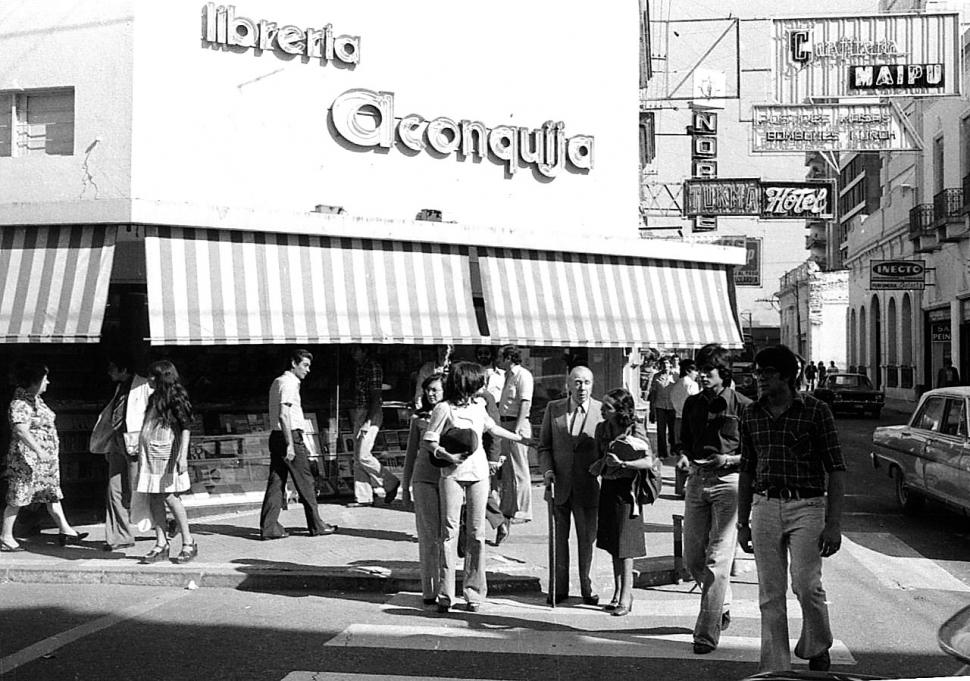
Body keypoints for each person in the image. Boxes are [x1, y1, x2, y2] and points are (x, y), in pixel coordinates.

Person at [737, 345, 846, 673]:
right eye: (757, 373)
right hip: (765, 505)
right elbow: (746, 469)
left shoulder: (815, 411)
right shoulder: (751, 414)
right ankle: (776, 667)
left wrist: (834, 524)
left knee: (806, 584)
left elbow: (836, 468)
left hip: (807, 506)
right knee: (770, 593)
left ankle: (817, 644)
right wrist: (742, 522)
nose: (760, 379)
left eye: (767, 373)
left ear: (786, 376)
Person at [422, 361, 533, 612]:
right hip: (452, 474)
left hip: (479, 473)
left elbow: (493, 428)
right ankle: (446, 594)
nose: (482, 386)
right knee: (449, 532)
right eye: (478, 382)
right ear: (466, 383)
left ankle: (474, 593)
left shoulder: (479, 406)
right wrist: (446, 456)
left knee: (476, 533)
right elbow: (430, 440)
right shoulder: (443, 408)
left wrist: (521, 439)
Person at [677, 344, 752, 655]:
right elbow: (683, 442)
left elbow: (754, 453)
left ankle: (706, 635)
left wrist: (729, 460)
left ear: (724, 372)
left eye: (708, 371)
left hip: (729, 484)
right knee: (692, 558)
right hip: (697, 480)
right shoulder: (692, 404)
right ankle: (723, 601)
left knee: (717, 560)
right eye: (700, 370)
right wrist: (684, 457)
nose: (702, 376)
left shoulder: (744, 406)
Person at [1, 363, 88, 552]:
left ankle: (65, 529)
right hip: (27, 461)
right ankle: (6, 536)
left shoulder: (35, 400)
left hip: (43, 462)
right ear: (34, 382)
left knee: (51, 493)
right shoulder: (20, 403)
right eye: (44, 379)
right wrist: (39, 450)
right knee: (19, 496)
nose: (47, 382)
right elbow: (21, 430)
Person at [538, 366, 603, 605]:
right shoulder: (553, 409)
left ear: (592, 385)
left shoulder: (602, 411)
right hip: (559, 486)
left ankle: (588, 588)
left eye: (586, 382)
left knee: (587, 540)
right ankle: (558, 588)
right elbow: (544, 447)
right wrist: (547, 471)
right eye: (577, 382)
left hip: (588, 487)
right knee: (558, 541)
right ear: (568, 384)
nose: (581, 387)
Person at [260, 350, 337, 540]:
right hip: (289, 436)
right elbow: (283, 415)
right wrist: (291, 445)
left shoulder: (278, 381)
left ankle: (269, 527)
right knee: (305, 481)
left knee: (277, 481)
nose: (308, 370)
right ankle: (316, 525)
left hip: (276, 436)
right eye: (305, 365)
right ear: (294, 363)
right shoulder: (289, 383)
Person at [590, 388, 652, 617]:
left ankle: (626, 596)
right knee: (613, 543)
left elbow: (649, 461)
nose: (602, 410)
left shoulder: (635, 428)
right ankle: (617, 593)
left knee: (626, 547)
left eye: (607, 407)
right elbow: (599, 457)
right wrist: (600, 464)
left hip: (628, 490)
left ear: (620, 410)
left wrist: (624, 464)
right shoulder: (602, 429)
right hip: (608, 487)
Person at [135, 360, 198, 564]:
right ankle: (161, 542)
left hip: (167, 454)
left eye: (153, 375)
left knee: (170, 496)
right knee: (154, 496)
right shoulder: (154, 398)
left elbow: (186, 426)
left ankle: (188, 541)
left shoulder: (175, 397)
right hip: (151, 455)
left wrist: (182, 455)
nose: (149, 379)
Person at [89, 353, 152, 551]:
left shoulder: (145, 386)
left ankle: (165, 520)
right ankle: (120, 536)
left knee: (138, 489)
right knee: (114, 489)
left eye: (112, 368)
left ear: (123, 370)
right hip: (118, 441)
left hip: (135, 444)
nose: (109, 372)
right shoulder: (120, 388)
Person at [402, 372, 446, 604]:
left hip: (448, 478)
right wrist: (405, 487)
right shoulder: (418, 418)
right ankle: (430, 589)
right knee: (428, 535)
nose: (430, 394)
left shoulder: (452, 413)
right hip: (423, 478)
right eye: (427, 390)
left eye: (435, 390)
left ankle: (447, 587)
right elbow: (410, 455)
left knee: (446, 535)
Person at [348, 345, 400, 507]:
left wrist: (368, 421)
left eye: (356, 349)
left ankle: (390, 481)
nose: (353, 353)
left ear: (364, 350)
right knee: (358, 456)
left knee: (363, 455)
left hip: (369, 412)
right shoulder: (360, 367)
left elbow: (376, 397)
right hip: (360, 410)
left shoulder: (372, 367)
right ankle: (363, 497)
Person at [495, 345, 534, 543]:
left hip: (516, 424)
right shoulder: (507, 376)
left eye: (500, 357)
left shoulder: (522, 375)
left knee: (519, 469)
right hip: (505, 423)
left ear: (509, 357)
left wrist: (517, 429)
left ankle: (523, 510)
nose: (497, 360)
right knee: (508, 472)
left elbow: (525, 403)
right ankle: (508, 510)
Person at [669, 359, 700, 496]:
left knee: (680, 452)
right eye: (695, 370)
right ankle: (688, 487)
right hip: (689, 420)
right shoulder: (692, 385)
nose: (697, 374)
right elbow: (696, 404)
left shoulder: (676, 385)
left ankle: (679, 486)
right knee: (689, 452)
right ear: (688, 370)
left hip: (677, 420)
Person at [647, 358, 676, 461]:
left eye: (667, 363)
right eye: (663, 364)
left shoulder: (675, 376)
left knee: (673, 430)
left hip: (673, 406)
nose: (665, 365)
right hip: (660, 406)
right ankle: (662, 452)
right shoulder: (656, 376)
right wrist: (652, 409)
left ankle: (674, 449)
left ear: (670, 364)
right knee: (661, 430)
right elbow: (653, 393)